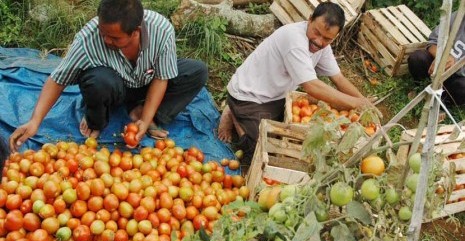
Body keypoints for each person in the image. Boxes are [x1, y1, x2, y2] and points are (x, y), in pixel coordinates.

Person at [9, 0, 207, 152]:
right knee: (98, 83)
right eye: (103, 32)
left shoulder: (161, 30)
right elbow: (58, 79)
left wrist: (146, 120)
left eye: (114, 37)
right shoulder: (89, 37)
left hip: (146, 81)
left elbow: (161, 77)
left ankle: (142, 112)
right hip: (113, 86)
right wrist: (35, 121)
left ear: (135, 32)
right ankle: (97, 119)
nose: (106, 40)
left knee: (197, 72)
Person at [218, 2, 372, 163]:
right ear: (310, 19)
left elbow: (339, 79)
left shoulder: (322, 47)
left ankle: (244, 117)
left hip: (276, 97)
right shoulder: (294, 40)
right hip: (249, 96)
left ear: (336, 36)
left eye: (327, 38)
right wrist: (356, 103)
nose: (319, 41)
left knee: (285, 138)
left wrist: (367, 105)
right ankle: (233, 112)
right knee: (260, 150)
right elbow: (311, 86)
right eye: (316, 32)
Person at [408, 11, 465, 105]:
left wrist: (454, 65)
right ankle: (422, 89)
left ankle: (441, 103)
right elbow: (433, 41)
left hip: (457, 79)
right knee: (418, 58)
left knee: (463, 88)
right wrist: (441, 58)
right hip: (436, 67)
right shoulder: (458, 17)